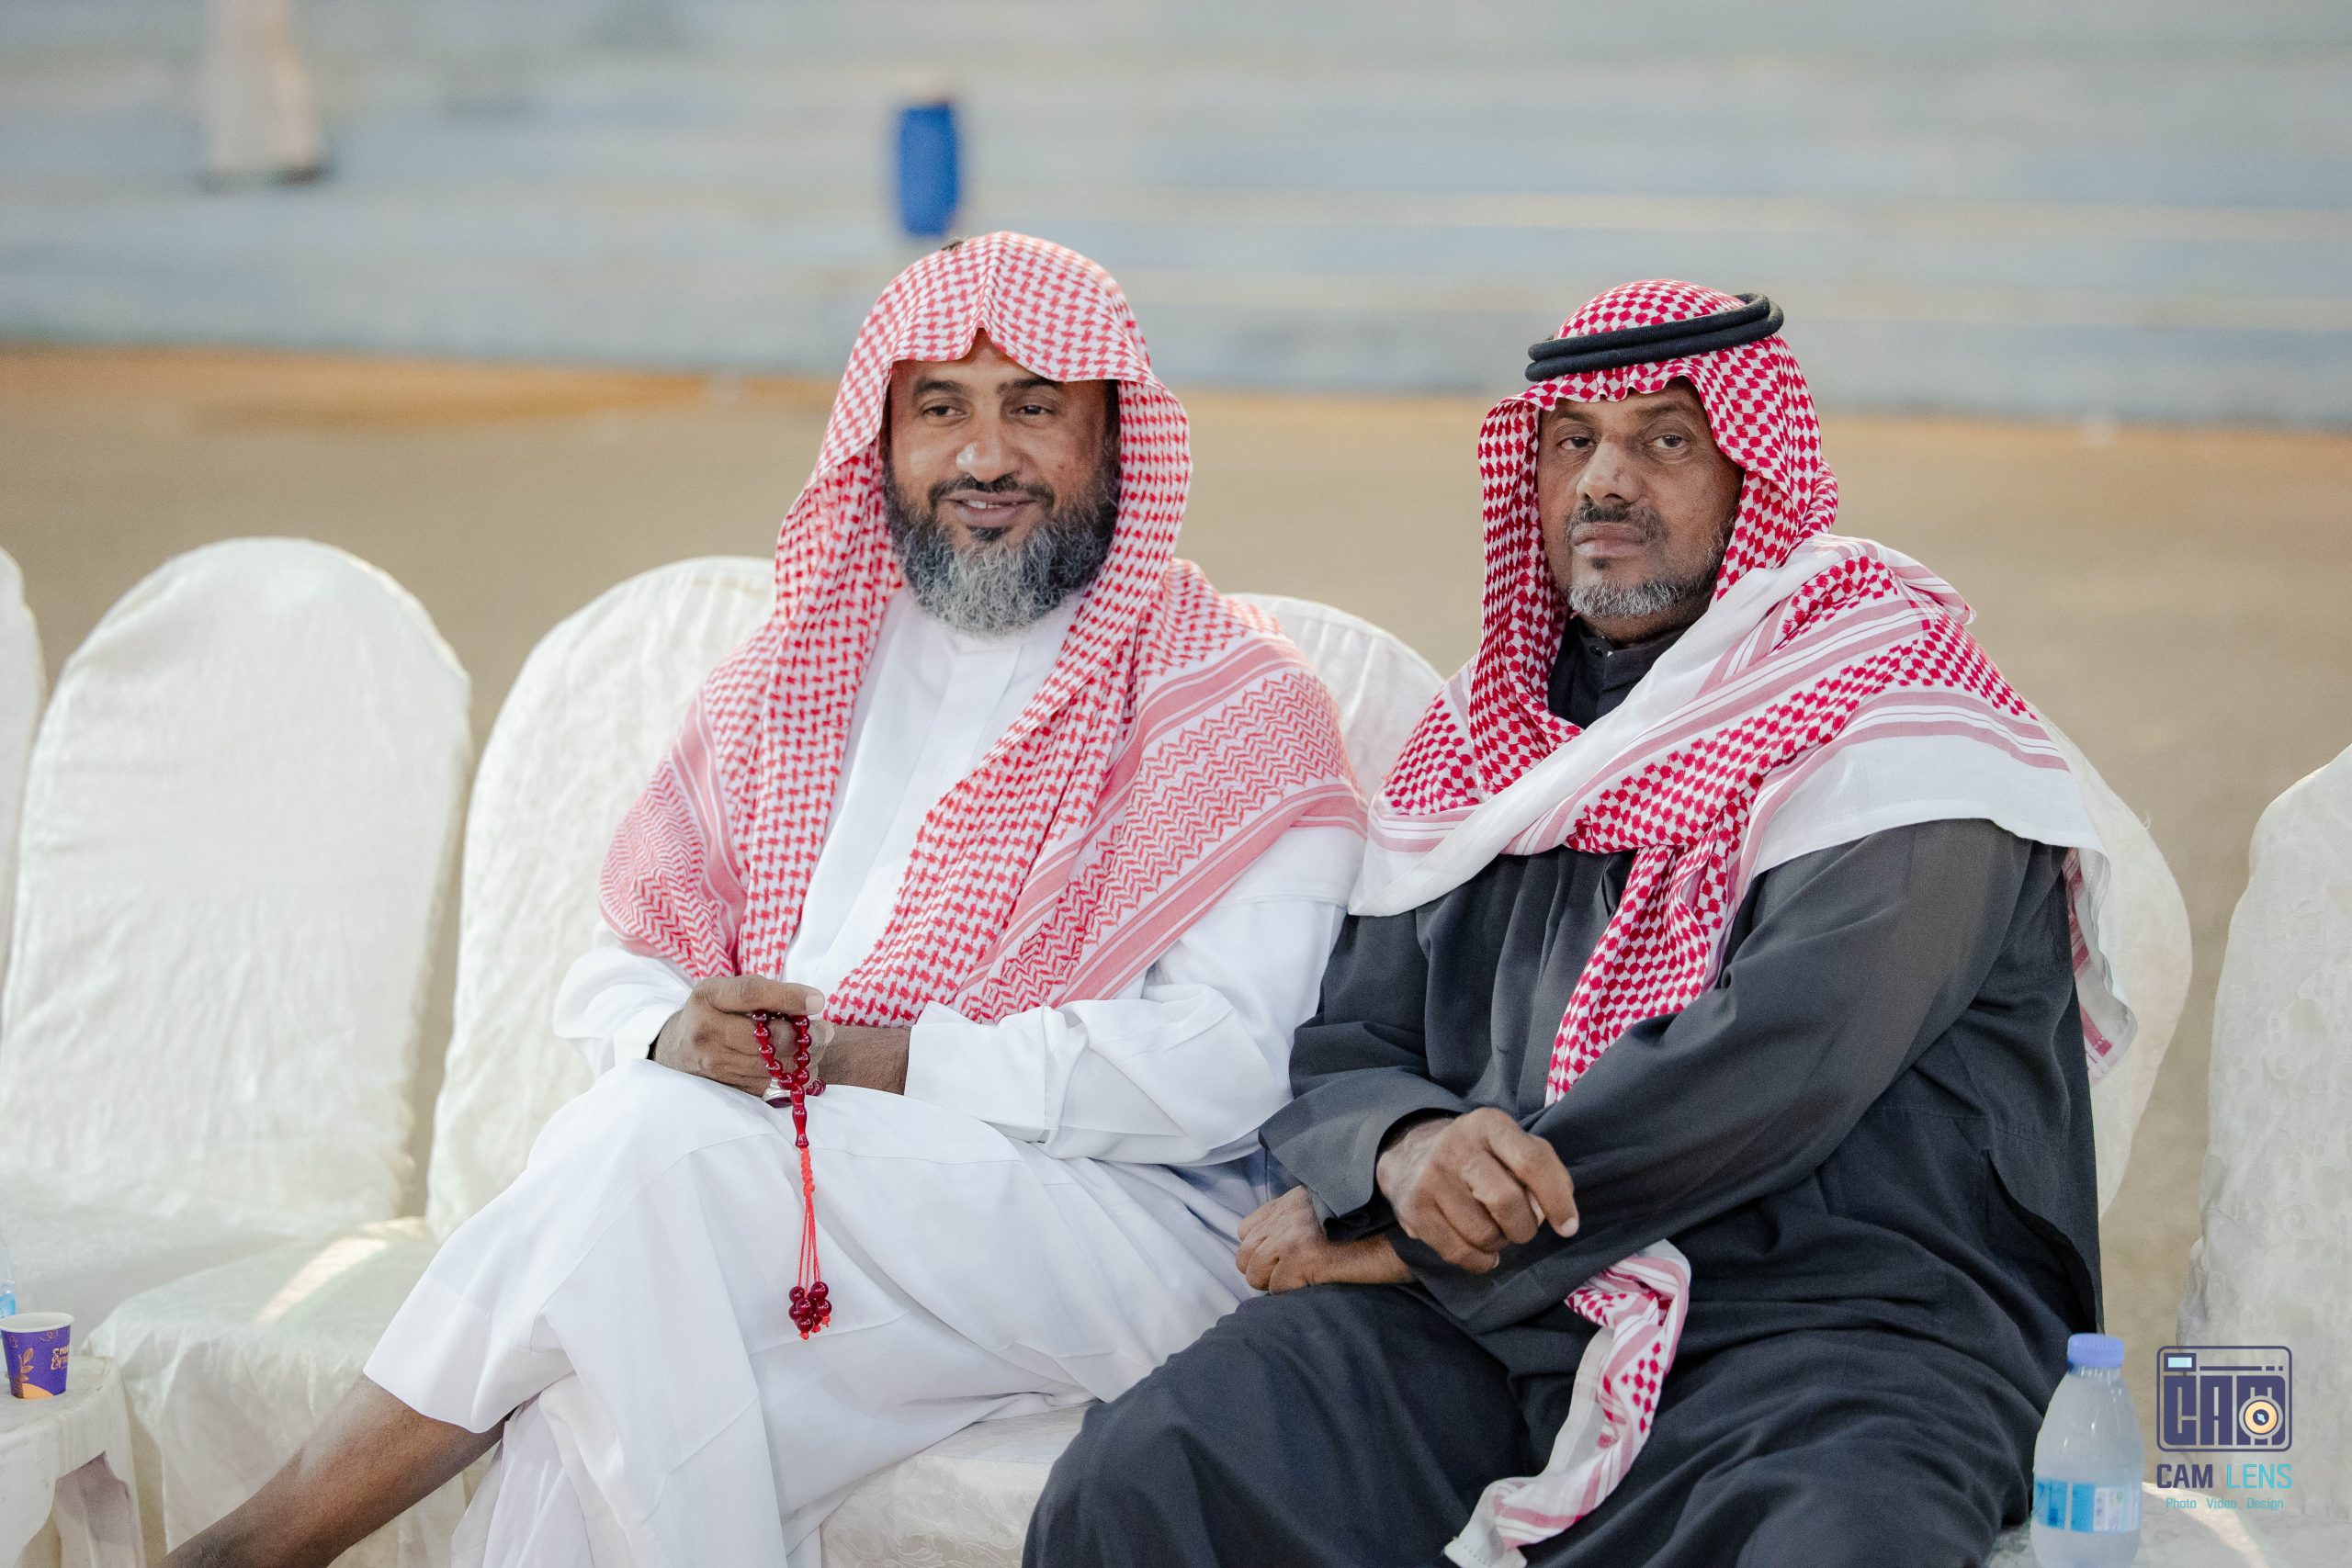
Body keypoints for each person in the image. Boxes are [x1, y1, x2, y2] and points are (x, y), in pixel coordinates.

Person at [169, 232, 1364, 1567]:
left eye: (1034, 408)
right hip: (779, 1214)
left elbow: (1233, 1068)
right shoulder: (799, 671)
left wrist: (882, 1061)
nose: (985, 455)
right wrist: (675, 1032)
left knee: (653, 1149)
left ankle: (253, 1549)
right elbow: (623, 965)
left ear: (1115, 439)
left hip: (1109, 1226)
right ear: (884, 439)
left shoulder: (1236, 708)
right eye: (941, 408)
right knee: (600, 1385)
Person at [1025, 280, 2148, 1568]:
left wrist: (1419, 1240)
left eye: (1666, 439)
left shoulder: (1902, 722)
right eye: (1574, 444)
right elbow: (1347, 1041)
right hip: (1496, 1329)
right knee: (1152, 1479)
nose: (1606, 483)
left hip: (1834, 1328)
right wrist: (1405, 1152)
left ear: (1756, 474)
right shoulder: (1487, 741)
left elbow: (1782, 1066)